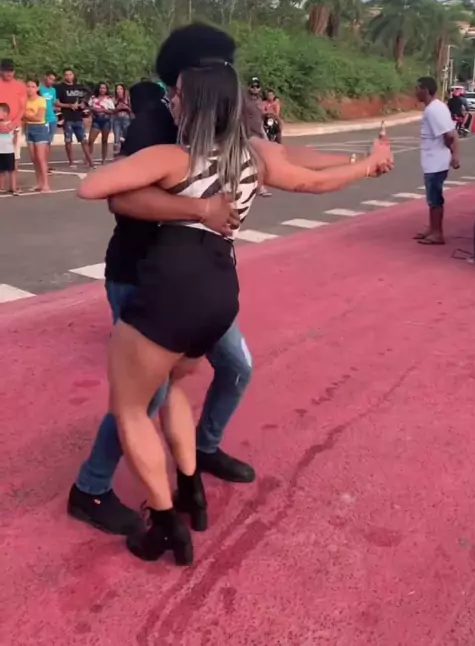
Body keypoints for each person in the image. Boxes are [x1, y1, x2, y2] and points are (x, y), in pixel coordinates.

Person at [78, 58, 392, 566]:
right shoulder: (253, 157)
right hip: (221, 290)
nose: (172, 101)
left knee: (131, 408)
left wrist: (183, 201)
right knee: (173, 387)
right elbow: (310, 181)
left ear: (196, 105)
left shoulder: (173, 158)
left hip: (170, 286)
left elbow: (91, 187)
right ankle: (190, 490)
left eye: (178, 95)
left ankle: (165, 527)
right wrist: (368, 164)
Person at [414, 76, 460, 245]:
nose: (415, 92)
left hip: (435, 162)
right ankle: (432, 228)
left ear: (425, 90)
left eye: (417, 89)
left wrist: (451, 150)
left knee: (434, 199)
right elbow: (453, 132)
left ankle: (437, 233)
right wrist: (454, 154)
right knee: (433, 198)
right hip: (435, 161)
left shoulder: (432, 110)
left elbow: (449, 135)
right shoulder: (439, 106)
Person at [55, 69, 94, 168]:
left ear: (73, 75)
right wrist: (69, 105)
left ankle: (90, 161)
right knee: (68, 140)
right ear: (64, 76)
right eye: (66, 74)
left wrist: (84, 103)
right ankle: (71, 162)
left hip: (78, 117)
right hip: (67, 117)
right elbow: (57, 102)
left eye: (70, 74)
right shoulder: (60, 87)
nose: (68, 76)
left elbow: (89, 94)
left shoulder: (79, 87)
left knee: (83, 140)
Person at [23, 79, 51, 193]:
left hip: (40, 129)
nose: (30, 89)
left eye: (33, 86)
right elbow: (21, 116)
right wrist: (28, 116)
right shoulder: (24, 100)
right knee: (34, 158)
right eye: (28, 86)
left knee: (41, 158)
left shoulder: (41, 100)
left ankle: (46, 184)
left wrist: (25, 115)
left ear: (37, 88)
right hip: (29, 128)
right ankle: (39, 183)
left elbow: (39, 117)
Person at [0, 59, 26, 170]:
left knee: (14, 155)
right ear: (1, 71)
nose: (9, 73)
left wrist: (13, 123)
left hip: (14, 126)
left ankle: (13, 180)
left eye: (11, 71)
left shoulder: (20, 86)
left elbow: (23, 108)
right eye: (6, 71)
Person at [89, 82, 115, 164]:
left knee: (104, 140)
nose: (102, 90)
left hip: (105, 121)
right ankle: (89, 158)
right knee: (91, 140)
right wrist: (93, 110)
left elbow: (112, 111)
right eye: (101, 88)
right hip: (96, 120)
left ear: (106, 89)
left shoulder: (108, 99)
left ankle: (104, 159)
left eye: (104, 88)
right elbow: (89, 107)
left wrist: (103, 110)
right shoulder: (93, 98)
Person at [39, 71, 58, 169]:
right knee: (42, 143)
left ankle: (46, 163)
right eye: (50, 79)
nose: (51, 81)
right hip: (42, 119)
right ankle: (42, 164)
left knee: (49, 142)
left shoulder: (53, 90)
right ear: (45, 77)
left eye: (53, 80)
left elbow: (53, 103)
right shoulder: (39, 89)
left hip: (52, 118)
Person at [0, 102, 17, 194]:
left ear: (5, 113)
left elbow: (15, 137)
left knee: (11, 170)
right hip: (0, 151)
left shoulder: (11, 124)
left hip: (9, 151)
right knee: (1, 171)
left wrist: (12, 145)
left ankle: (13, 188)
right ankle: (1, 187)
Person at [112, 84, 132, 156]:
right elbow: (111, 110)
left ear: (123, 90)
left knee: (126, 136)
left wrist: (126, 108)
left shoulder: (128, 99)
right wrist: (117, 108)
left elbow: (131, 110)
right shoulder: (113, 99)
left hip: (126, 118)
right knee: (116, 137)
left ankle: (126, 152)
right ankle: (116, 153)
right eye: (118, 89)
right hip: (116, 119)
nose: (119, 90)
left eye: (121, 89)